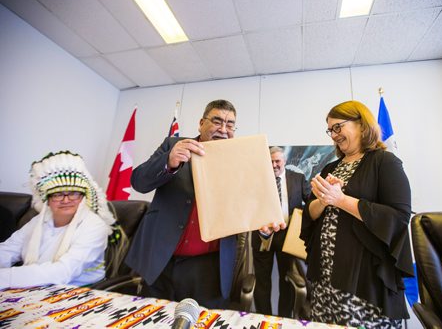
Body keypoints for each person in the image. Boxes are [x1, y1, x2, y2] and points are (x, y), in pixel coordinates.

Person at [125, 99, 284, 309]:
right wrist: (168, 162)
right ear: (201, 123)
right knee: (152, 318)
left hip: (209, 267)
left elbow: (249, 207)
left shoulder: (241, 159)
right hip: (161, 259)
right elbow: (139, 182)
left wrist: (263, 228)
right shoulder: (173, 145)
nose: (224, 130)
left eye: (230, 124)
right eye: (217, 121)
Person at [300, 100, 413, 328]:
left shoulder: (385, 162)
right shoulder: (330, 168)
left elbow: (398, 216)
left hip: (364, 278)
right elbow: (310, 214)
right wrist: (323, 200)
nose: (333, 135)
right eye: (330, 130)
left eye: (338, 127)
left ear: (362, 125)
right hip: (325, 275)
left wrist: (341, 200)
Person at [0, 151, 114, 289]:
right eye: (58, 194)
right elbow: (8, 250)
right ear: (48, 199)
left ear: (83, 197)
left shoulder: (95, 226)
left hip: (79, 292)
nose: (66, 200)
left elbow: (63, 272)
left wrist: (6, 277)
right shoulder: (37, 221)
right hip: (33, 287)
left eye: (73, 193)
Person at [251, 146, 310, 317]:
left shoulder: (298, 178)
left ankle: (284, 319)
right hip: (263, 237)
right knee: (262, 283)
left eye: (277, 161)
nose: (274, 165)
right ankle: (264, 319)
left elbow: (311, 203)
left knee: (287, 282)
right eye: (270, 161)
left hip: (289, 239)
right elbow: (249, 207)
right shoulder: (258, 181)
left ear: (284, 161)